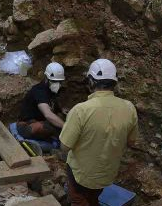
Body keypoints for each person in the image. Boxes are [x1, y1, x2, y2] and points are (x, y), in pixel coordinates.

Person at [59, 59, 138, 206]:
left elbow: (64, 146)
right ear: (114, 82)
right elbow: (131, 142)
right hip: (106, 175)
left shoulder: (81, 110)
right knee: (93, 196)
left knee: (78, 199)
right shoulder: (129, 108)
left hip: (81, 176)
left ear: (91, 81)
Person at [17, 62, 67, 140]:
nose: (57, 84)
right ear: (46, 78)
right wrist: (66, 127)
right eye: (54, 81)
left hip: (40, 120)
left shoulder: (52, 90)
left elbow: (53, 105)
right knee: (50, 127)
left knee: (62, 120)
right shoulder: (39, 91)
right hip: (26, 125)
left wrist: (62, 111)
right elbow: (48, 114)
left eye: (59, 81)